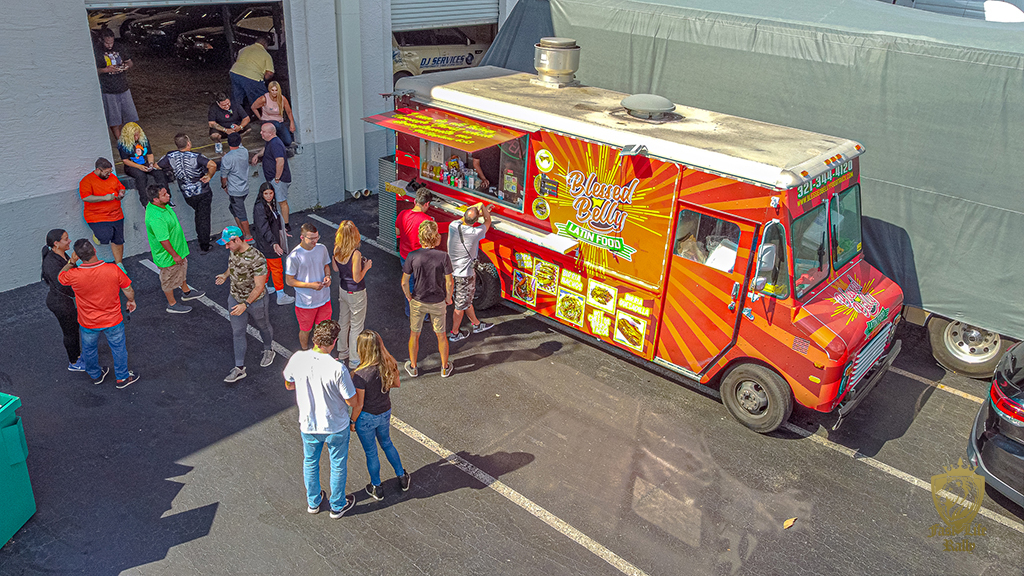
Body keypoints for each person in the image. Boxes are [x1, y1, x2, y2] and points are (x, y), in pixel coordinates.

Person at [283, 320, 359, 519]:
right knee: (337, 465)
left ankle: (313, 502)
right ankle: (337, 505)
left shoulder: (298, 358)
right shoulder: (338, 368)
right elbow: (352, 401)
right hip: (336, 425)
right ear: (334, 342)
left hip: (309, 424)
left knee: (310, 462)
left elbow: (289, 384)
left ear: (315, 339)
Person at [58, 239, 139, 388]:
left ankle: (95, 375)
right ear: (94, 250)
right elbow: (128, 289)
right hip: (113, 320)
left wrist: (71, 261)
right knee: (119, 349)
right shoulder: (113, 269)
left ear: (78, 256)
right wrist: (131, 300)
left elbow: (61, 277)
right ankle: (122, 377)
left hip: (88, 322)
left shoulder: (74, 275)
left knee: (89, 350)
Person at [351, 330, 411, 501]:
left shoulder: (360, 375)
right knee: (387, 443)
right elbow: (397, 384)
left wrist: (352, 421)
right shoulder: (388, 364)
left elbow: (359, 404)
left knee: (371, 453)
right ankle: (402, 476)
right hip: (384, 412)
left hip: (366, 417)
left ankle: (377, 487)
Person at [214, 226, 276, 383]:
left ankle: (268, 349)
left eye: (228, 243)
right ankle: (239, 368)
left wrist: (245, 304)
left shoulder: (257, 258)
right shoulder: (233, 250)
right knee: (238, 332)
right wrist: (225, 275)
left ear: (237, 240)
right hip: (235, 299)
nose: (226, 247)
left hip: (256, 302)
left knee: (263, 326)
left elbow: (259, 286)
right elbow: (233, 265)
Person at [402, 220, 454, 378]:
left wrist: (409, 296)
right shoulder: (443, 257)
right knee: (441, 335)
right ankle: (444, 367)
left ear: (420, 237)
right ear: (436, 237)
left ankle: (413, 366)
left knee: (414, 334)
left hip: (418, 300)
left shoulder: (412, 256)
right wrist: (448, 297)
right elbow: (449, 282)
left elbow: (404, 282)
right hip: (438, 301)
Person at [144, 184, 206, 314]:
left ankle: (186, 292)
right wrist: (174, 255)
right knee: (168, 279)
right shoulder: (156, 218)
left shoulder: (162, 205)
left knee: (181, 270)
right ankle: (172, 304)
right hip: (168, 256)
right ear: (155, 199)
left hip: (178, 250)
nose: (168, 195)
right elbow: (163, 240)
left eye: (167, 193)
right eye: (164, 194)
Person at [158, 133, 217, 254]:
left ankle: (203, 237)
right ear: (188, 143)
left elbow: (157, 166)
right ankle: (204, 244)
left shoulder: (170, 156)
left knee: (199, 215)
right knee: (203, 217)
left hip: (187, 194)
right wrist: (209, 176)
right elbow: (213, 165)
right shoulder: (196, 156)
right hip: (202, 191)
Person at [446, 202, 495, 341]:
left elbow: (465, 218)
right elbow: (488, 221)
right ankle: (455, 333)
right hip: (465, 275)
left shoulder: (453, 226)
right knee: (460, 305)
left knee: (465, 300)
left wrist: (478, 210)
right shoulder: (475, 233)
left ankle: (477, 324)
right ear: (475, 221)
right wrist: (484, 209)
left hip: (452, 271)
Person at [41, 229, 84, 372]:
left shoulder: (62, 255)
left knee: (74, 329)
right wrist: (72, 262)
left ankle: (78, 356)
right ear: (56, 243)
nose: (69, 241)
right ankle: (74, 361)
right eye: (66, 239)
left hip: (67, 301)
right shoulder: (51, 262)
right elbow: (61, 282)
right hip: (61, 303)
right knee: (70, 332)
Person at [286, 223, 332, 350]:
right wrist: (310, 285)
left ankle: (319, 352)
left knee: (323, 330)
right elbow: (289, 281)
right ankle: (305, 351)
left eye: (317, 237)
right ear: (302, 237)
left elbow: (326, 265)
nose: (315, 241)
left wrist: (328, 276)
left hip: (324, 299)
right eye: (311, 238)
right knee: (306, 330)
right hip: (306, 303)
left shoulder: (321, 248)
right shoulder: (294, 256)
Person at [331, 221, 371, 368]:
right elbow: (357, 278)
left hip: (343, 289)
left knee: (343, 320)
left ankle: (342, 352)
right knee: (356, 326)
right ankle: (355, 359)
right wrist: (366, 267)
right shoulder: (355, 254)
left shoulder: (337, 249)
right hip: (356, 292)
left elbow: (336, 268)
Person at [79, 158, 127, 271]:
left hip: (117, 214)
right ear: (98, 169)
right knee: (105, 236)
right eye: (106, 172)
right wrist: (104, 198)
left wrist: (121, 193)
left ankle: (119, 264)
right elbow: (86, 197)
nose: (109, 174)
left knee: (118, 240)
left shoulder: (112, 177)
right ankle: (97, 235)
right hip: (97, 216)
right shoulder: (87, 180)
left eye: (110, 171)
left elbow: (121, 187)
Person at [252, 182, 295, 306]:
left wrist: (281, 231)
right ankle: (280, 295)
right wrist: (274, 243)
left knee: (267, 267)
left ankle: (264, 287)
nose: (269, 196)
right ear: (262, 194)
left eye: (271, 193)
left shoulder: (267, 205)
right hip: (269, 244)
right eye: (266, 193)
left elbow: (272, 223)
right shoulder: (261, 207)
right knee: (277, 269)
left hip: (266, 243)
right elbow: (264, 228)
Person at [395, 186, 434, 317]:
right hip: (420, 259)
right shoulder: (427, 221)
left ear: (415, 201)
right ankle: (423, 314)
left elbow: (397, 232)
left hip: (405, 256)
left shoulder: (402, 214)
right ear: (427, 204)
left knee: (409, 285)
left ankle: (410, 311)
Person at [95, 28, 138, 140]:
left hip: (123, 86)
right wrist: (105, 70)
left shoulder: (119, 47)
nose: (110, 45)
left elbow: (130, 62)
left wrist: (126, 66)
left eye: (111, 42)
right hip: (108, 89)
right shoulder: (96, 50)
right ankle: (120, 141)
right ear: (102, 40)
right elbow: (92, 70)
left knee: (131, 116)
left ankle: (132, 139)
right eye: (107, 43)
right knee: (114, 119)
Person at [251, 123, 291, 232]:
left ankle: (286, 225)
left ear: (271, 133)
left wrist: (277, 178)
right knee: (275, 201)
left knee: (282, 201)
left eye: (263, 131)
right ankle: (277, 223)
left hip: (279, 179)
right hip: (274, 178)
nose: (261, 133)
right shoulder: (270, 142)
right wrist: (257, 155)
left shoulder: (276, 144)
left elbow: (280, 161)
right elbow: (265, 149)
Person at [116, 122, 167, 207]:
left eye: (137, 135)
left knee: (159, 173)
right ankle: (145, 201)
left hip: (145, 163)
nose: (136, 137)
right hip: (131, 166)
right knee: (141, 176)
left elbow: (149, 154)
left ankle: (166, 197)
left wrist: (151, 164)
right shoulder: (122, 144)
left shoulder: (143, 140)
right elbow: (125, 160)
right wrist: (139, 167)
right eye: (134, 136)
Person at [219, 132, 252, 241]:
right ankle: (241, 231)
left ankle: (248, 236)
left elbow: (224, 176)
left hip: (235, 190)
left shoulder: (227, 158)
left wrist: (224, 186)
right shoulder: (244, 151)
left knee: (241, 213)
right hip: (244, 188)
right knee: (234, 209)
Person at [229, 35, 274, 112]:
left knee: (237, 98)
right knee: (263, 99)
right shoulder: (266, 55)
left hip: (235, 73)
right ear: (265, 44)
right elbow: (269, 73)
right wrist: (264, 80)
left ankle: (235, 115)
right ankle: (270, 115)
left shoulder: (243, 49)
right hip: (252, 77)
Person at [251, 81, 295, 147]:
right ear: (269, 90)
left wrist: (292, 122)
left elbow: (289, 112)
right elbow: (253, 107)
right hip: (268, 120)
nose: (274, 92)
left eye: (276, 90)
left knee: (288, 141)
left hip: (279, 122)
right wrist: (260, 118)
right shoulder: (264, 98)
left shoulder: (282, 99)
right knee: (276, 125)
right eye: (272, 90)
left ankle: (278, 141)